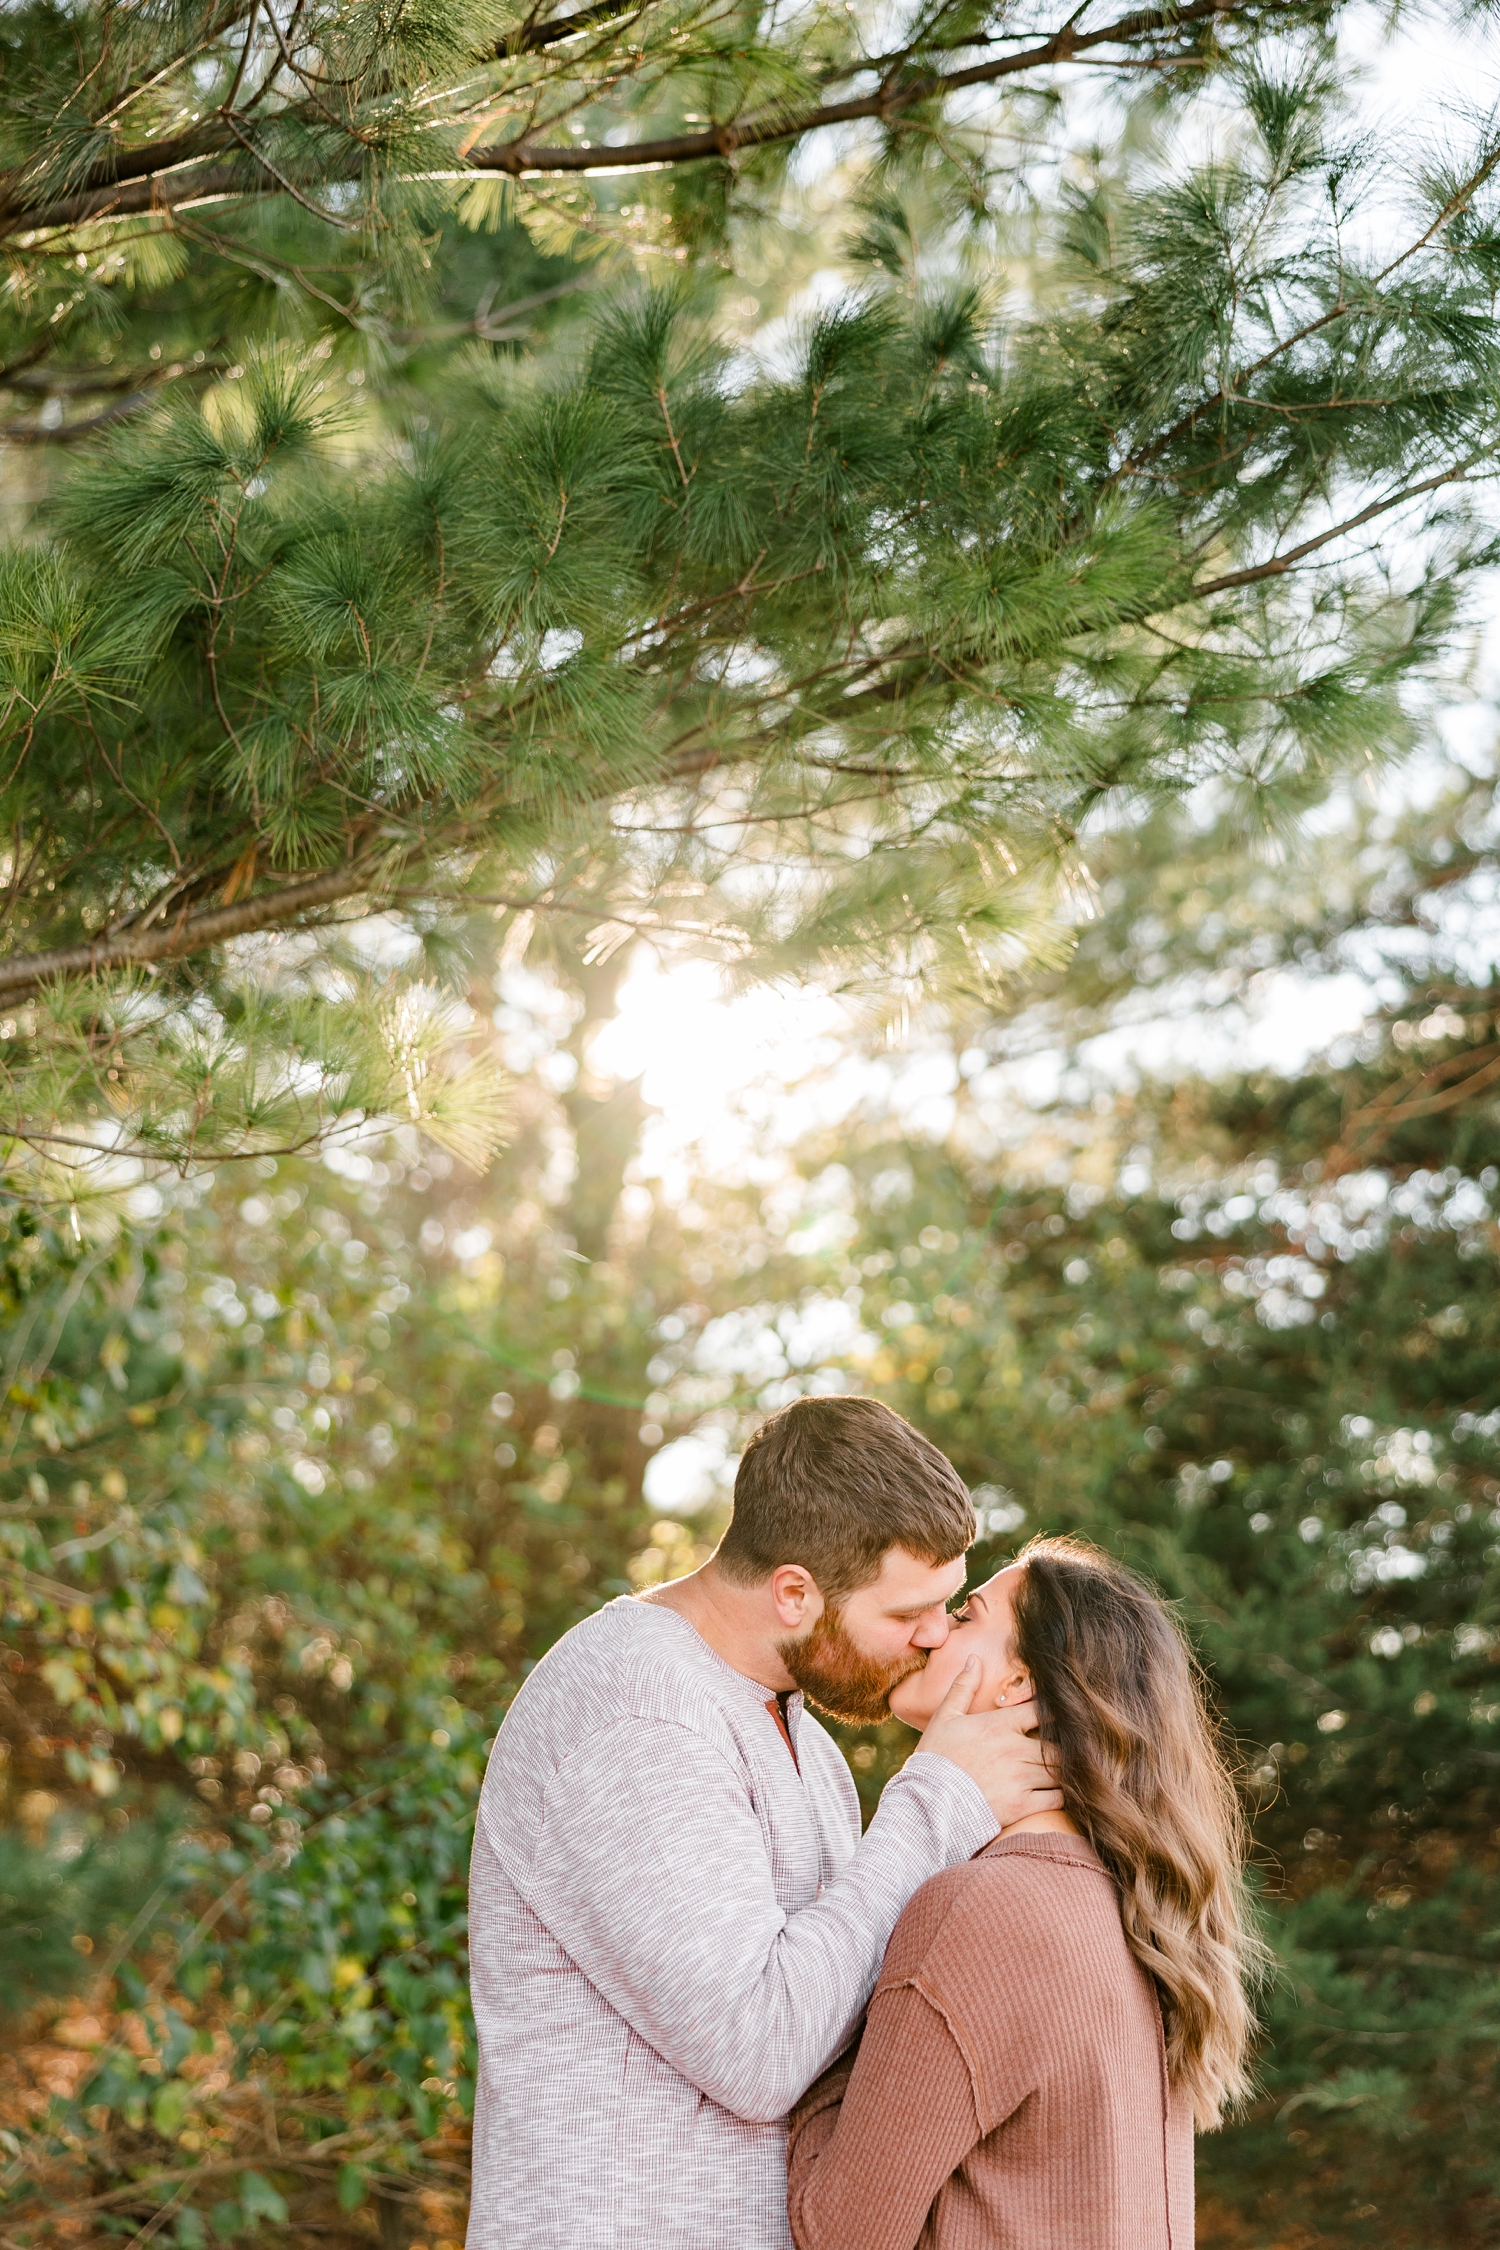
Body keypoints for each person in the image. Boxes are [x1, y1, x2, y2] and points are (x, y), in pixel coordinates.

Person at [465, 1394, 1063, 2250]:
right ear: (794, 1592)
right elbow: (761, 2050)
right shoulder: (638, 1714)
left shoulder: (800, 1737)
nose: (934, 1638)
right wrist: (937, 1804)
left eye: (949, 1604)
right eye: (904, 1615)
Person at [786, 1535, 1264, 2250]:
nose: (934, 1628)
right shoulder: (1127, 1909)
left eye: (967, 1615)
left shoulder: (976, 1911)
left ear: (1020, 1685)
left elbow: (838, 2232)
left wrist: (822, 1999)